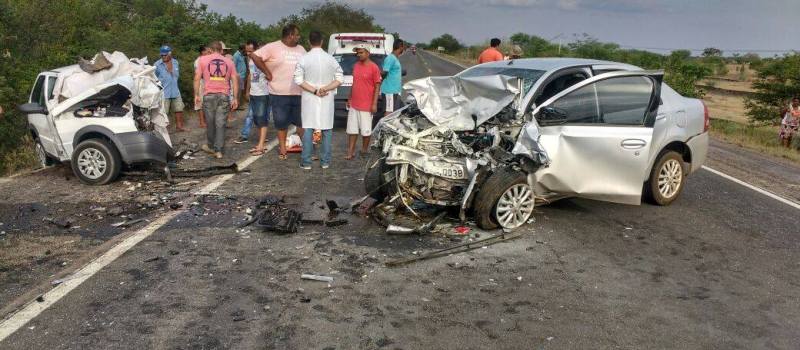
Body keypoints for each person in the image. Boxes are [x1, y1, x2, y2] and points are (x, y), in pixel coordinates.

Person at [250, 24, 307, 160]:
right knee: (281, 123)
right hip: (279, 93)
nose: (299, 37)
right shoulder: (273, 47)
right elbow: (254, 56)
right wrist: (267, 72)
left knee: (302, 122)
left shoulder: (301, 49)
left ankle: (304, 145)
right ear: (290, 35)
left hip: (299, 92)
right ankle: (283, 148)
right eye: (297, 34)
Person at [294, 31, 343, 169]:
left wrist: (315, 90)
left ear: (309, 42)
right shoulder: (331, 59)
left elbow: (298, 79)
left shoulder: (304, 59)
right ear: (322, 41)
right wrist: (326, 88)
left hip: (310, 97)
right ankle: (325, 162)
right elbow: (340, 78)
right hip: (326, 98)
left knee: (308, 128)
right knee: (327, 129)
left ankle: (306, 162)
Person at [194, 41, 239, 159]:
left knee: (210, 123)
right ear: (222, 50)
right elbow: (234, 80)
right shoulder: (229, 61)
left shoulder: (202, 60)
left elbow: (197, 78)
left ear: (210, 50)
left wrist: (196, 95)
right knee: (220, 124)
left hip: (208, 95)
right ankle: (218, 150)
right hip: (224, 95)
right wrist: (235, 98)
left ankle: (210, 146)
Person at [345, 43, 382, 160]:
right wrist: (349, 98)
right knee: (352, 130)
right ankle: (350, 152)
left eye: (361, 52)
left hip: (366, 105)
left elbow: (377, 86)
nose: (358, 55)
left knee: (366, 131)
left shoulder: (374, 67)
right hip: (354, 104)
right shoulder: (356, 66)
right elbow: (354, 83)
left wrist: (374, 103)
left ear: (368, 53)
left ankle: (364, 150)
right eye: (357, 52)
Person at [243, 40, 272, 155]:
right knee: (256, 119)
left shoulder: (263, 58)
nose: (248, 53)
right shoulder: (249, 59)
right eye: (247, 51)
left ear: (257, 49)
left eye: (251, 51)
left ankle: (261, 145)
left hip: (263, 92)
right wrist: (247, 90)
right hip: (253, 92)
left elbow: (270, 72)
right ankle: (260, 143)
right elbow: (250, 74)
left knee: (262, 118)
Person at [155, 45, 186, 132]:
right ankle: (165, 129)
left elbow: (177, 75)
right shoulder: (157, 64)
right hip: (164, 91)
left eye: (165, 55)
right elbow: (154, 77)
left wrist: (170, 67)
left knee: (179, 109)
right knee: (164, 111)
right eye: (162, 55)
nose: (163, 57)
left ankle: (179, 126)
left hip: (175, 90)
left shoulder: (175, 62)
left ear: (170, 54)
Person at [381, 39, 405, 117]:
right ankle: (384, 129)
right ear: (400, 47)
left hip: (394, 90)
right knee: (389, 112)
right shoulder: (390, 58)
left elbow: (392, 72)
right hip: (389, 91)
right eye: (403, 47)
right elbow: (384, 72)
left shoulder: (395, 58)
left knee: (392, 112)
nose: (403, 49)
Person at [193, 45, 210, 128]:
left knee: (207, 102)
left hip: (207, 82)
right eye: (207, 50)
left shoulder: (207, 59)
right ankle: (201, 122)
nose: (209, 52)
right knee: (200, 102)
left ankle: (206, 120)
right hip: (200, 82)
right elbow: (199, 74)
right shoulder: (198, 61)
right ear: (202, 52)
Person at [233, 43, 248, 110]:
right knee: (238, 91)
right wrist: (236, 75)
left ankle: (238, 104)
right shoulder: (236, 55)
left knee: (240, 91)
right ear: (243, 49)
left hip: (243, 76)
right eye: (245, 49)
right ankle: (237, 105)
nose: (246, 50)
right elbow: (233, 66)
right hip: (239, 77)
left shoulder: (242, 55)